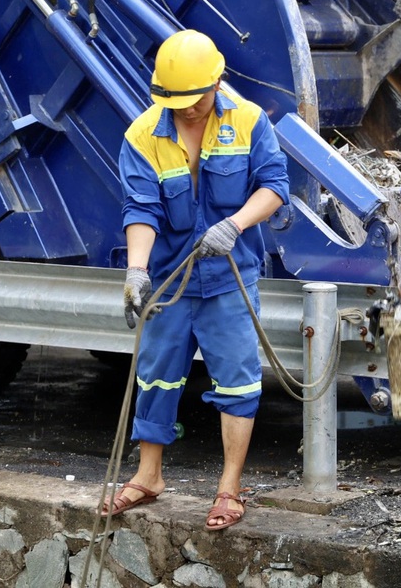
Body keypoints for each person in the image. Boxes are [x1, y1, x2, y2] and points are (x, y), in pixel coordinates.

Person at [108, 29, 289, 530]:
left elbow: (275, 186)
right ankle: (148, 476)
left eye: (196, 99)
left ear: (217, 81)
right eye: (176, 101)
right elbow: (140, 207)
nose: (187, 110)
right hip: (171, 280)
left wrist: (235, 225)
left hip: (229, 280)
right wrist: (137, 271)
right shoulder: (142, 135)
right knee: (156, 375)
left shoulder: (250, 121)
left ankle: (229, 488)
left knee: (238, 382)